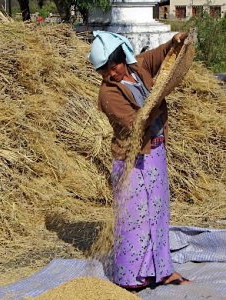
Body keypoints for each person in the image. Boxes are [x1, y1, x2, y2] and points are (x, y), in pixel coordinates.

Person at [88, 31, 190, 291]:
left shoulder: (137, 67)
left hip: (155, 154)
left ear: (123, 58)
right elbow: (136, 124)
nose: (111, 74)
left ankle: (161, 271)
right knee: (134, 218)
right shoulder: (108, 94)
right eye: (104, 71)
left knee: (157, 212)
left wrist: (174, 43)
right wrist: (160, 92)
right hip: (130, 161)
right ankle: (132, 278)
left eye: (115, 66)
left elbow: (157, 57)